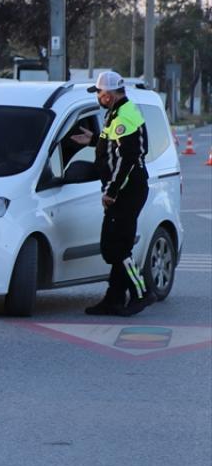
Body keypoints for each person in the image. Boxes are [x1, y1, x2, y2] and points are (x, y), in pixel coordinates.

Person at [70, 70, 153, 316]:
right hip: (127, 190)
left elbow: (127, 159)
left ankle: (141, 293)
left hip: (127, 191)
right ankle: (114, 299)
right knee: (117, 246)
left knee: (115, 248)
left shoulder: (123, 115)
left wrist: (111, 192)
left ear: (108, 95)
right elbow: (115, 146)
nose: (97, 97)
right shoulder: (118, 112)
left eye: (99, 93)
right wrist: (93, 139)